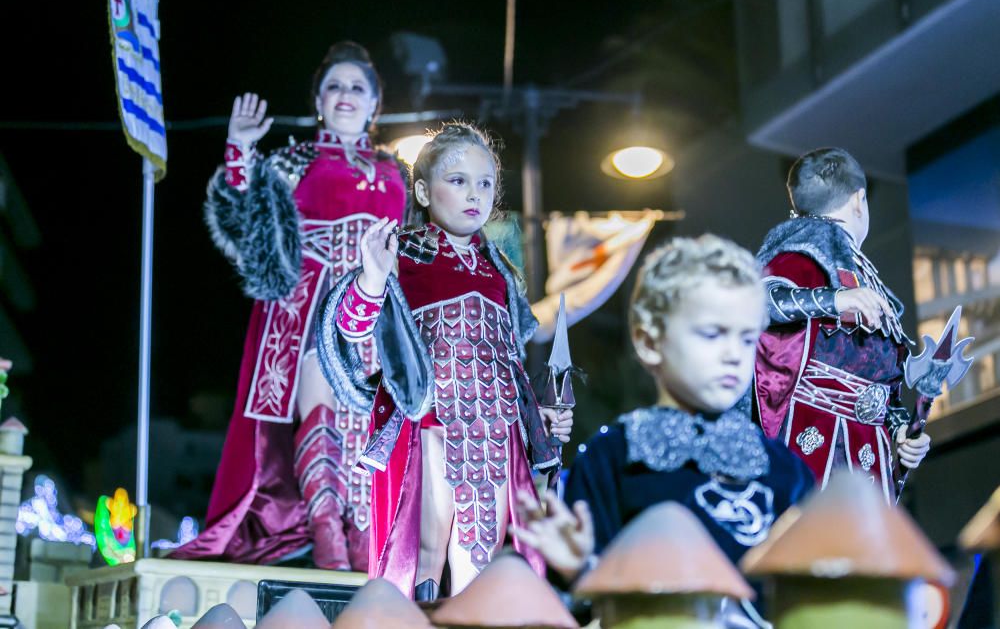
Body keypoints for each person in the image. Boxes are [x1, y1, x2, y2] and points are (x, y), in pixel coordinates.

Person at [173, 42, 407, 571]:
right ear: (318, 100)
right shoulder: (291, 160)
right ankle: (327, 535)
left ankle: (363, 532)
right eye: (334, 86)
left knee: (368, 425)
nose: (345, 95)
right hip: (310, 308)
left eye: (357, 87)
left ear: (376, 103)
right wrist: (239, 150)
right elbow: (242, 227)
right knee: (320, 409)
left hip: (381, 313)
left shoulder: (396, 170)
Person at [317, 122, 573, 599]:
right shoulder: (403, 253)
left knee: (484, 559)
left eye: (485, 183)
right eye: (458, 181)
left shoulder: (500, 268)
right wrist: (372, 281)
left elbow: (507, 366)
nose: (474, 194)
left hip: (496, 428)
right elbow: (349, 331)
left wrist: (540, 417)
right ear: (422, 190)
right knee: (425, 554)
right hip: (430, 423)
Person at [512, 235, 813, 608]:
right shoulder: (613, 460)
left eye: (747, 338)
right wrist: (580, 573)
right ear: (649, 342)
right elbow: (582, 603)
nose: (733, 354)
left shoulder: (784, 470)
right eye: (712, 333)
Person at [750, 148, 930, 502]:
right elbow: (756, 300)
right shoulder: (800, 256)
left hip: (868, 453)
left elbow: (876, 382)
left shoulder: (860, 276)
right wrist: (833, 299)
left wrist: (899, 434)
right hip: (812, 444)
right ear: (859, 200)